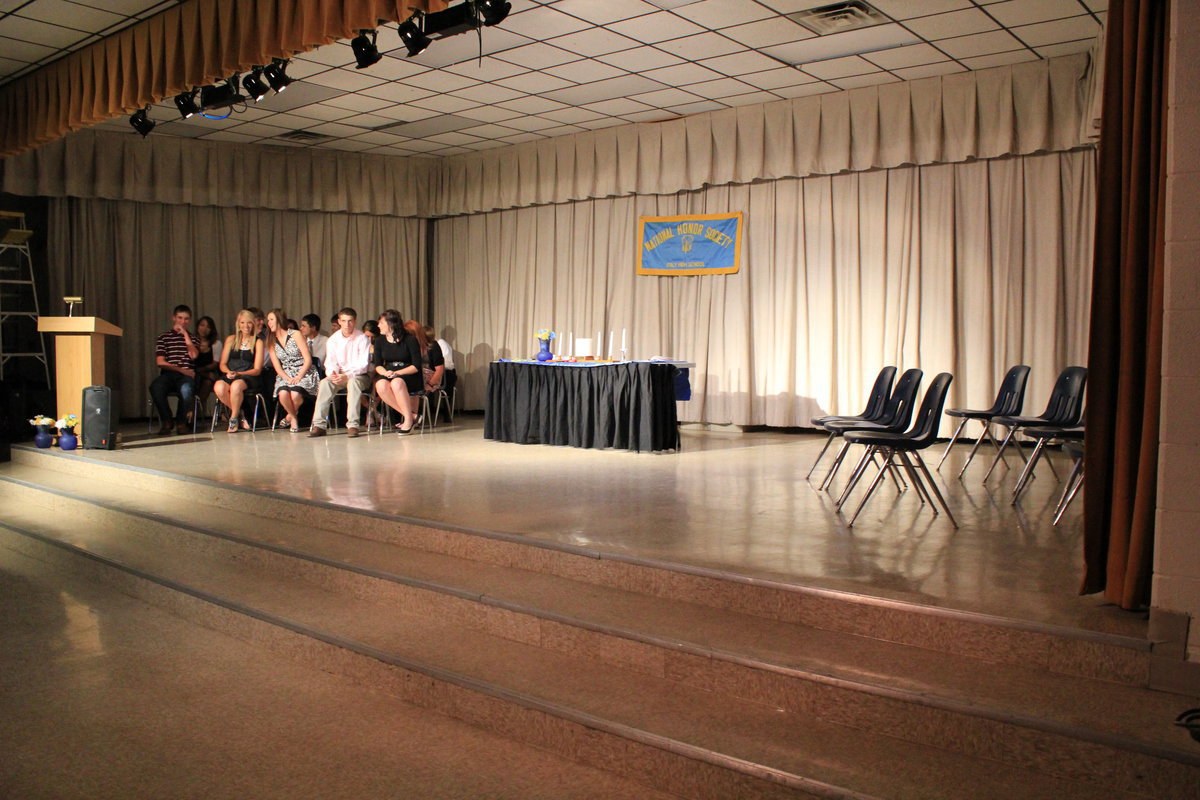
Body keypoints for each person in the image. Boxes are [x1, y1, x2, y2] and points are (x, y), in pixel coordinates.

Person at [310, 307, 371, 438]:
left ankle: (353, 425)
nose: (347, 325)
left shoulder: (362, 338)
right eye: (344, 321)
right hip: (340, 374)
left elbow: (363, 365)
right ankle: (319, 425)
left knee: (353, 383)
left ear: (355, 321)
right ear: (339, 322)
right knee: (325, 383)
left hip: (358, 375)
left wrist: (347, 375)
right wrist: (332, 374)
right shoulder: (333, 339)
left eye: (350, 321)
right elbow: (330, 361)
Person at [149, 304, 199, 435]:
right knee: (156, 387)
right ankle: (167, 420)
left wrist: (185, 336)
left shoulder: (193, 339)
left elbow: (193, 355)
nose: (183, 321)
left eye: (186, 319)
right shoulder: (163, 337)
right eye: (180, 318)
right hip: (169, 374)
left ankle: (181, 422)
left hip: (186, 377)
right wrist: (182, 370)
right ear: (174, 318)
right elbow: (160, 362)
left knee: (187, 390)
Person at [267, 308, 319, 433]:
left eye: (271, 319)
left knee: (295, 394)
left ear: (279, 320)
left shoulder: (295, 334)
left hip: (304, 371)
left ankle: (288, 417)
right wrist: (287, 378)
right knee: (283, 394)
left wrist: (299, 376)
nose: (269, 323)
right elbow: (277, 366)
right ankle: (294, 417)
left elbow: (307, 359)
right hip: (285, 373)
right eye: (268, 320)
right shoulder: (271, 341)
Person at [213, 309, 265, 432]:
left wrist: (239, 374)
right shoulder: (231, 339)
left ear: (253, 324)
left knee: (236, 386)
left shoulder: (258, 342)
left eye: (249, 323)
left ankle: (233, 418)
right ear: (238, 324)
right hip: (231, 374)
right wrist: (228, 372)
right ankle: (241, 414)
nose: (245, 326)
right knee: (219, 387)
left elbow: (257, 369)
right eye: (242, 322)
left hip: (249, 376)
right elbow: (223, 364)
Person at [374, 309, 423, 434]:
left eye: (381, 323)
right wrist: (385, 373)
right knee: (380, 385)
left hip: (409, 373)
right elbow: (378, 365)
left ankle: (407, 420)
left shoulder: (410, 339)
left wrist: (398, 373)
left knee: (396, 382)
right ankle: (411, 416)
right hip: (389, 372)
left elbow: (416, 365)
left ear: (391, 324)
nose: (378, 325)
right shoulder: (380, 341)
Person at [405, 319, 444, 393]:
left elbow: (439, 369)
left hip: (431, 377)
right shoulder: (408, 346)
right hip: (415, 375)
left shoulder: (432, 345)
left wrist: (430, 384)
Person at [193, 316, 222, 414]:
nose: (204, 329)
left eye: (208, 327)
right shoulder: (191, 342)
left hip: (208, 372)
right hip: (193, 372)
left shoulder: (216, 344)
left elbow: (215, 363)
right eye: (202, 325)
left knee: (208, 381)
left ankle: (196, 410)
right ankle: (191, 410)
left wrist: (202, 370)